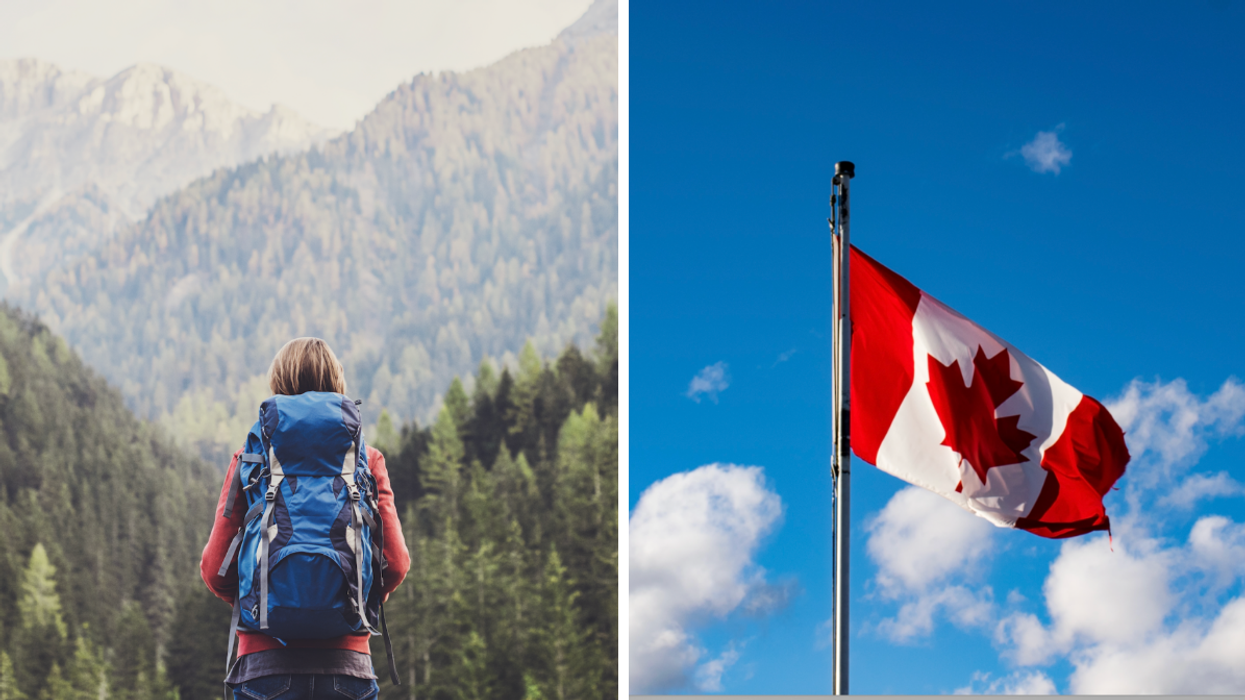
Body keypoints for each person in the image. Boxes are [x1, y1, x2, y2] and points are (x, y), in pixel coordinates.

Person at [201, 337, 410, 700]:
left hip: (264, 667)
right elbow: (397, 564)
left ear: (278, 382)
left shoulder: (250, 459)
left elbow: (214, 569)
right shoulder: (367, 460)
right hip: (348, 668)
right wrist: (353, 598)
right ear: (337, 382)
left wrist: (264, 601)